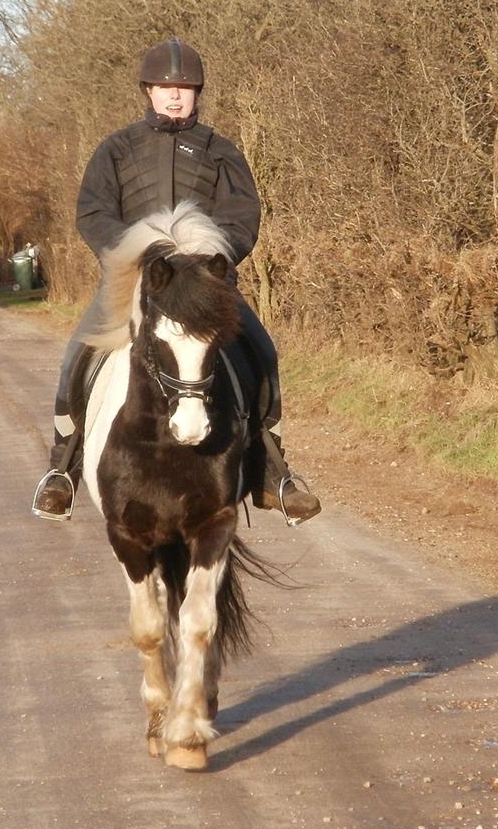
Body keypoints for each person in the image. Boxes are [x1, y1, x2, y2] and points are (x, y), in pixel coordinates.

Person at [33, 39, 321, 525]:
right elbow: (94, 213)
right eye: (166, 87)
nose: (174, 96)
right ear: (148, 91)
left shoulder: (219, 151)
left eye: (184, 88)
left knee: (261, 350)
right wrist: (132, 253)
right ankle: (62, 467)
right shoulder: (117, 149)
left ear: (197, 93)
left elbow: (242, 215)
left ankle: (273, 470)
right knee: (76, 356)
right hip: (135, 280)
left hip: (204, 282)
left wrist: (214, 258)